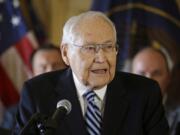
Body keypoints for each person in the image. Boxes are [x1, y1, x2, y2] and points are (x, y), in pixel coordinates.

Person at [13, 11, 169, 135]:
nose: (101, 58)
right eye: (89, 48)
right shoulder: (37, 93)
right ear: (66, 53)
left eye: (108, 47)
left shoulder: (145, 92)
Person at [1, 43, 67, 133]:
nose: (50, 71)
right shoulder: (13, 114)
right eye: (43, 67)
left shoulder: (76, 102)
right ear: (32, 73)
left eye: (56, 65)